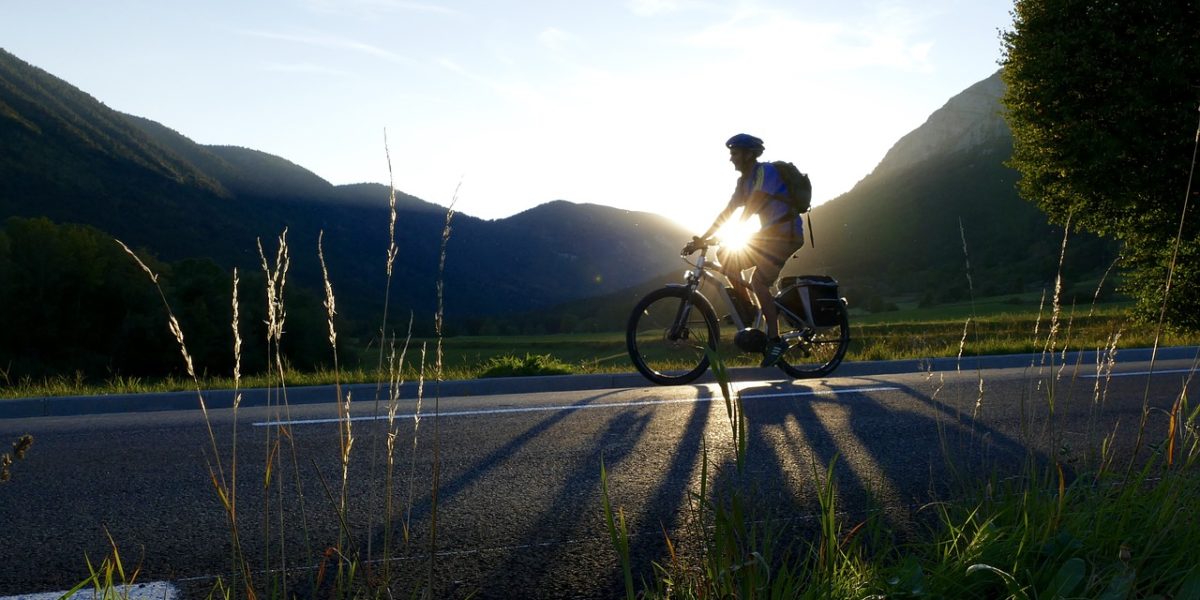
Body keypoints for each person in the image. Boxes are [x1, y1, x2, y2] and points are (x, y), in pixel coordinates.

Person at [686, 133, 805, 367]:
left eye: (735, 153)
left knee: (758, 282)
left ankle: (775, 339)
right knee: (726, 257)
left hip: (786, 234)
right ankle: (749, 310)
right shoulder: (743, 182)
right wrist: (703, 238)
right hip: (770, 236)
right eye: (731, 154)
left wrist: (733, 231)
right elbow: (727, 212)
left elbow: (753, 205)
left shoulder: (765, 172)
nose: (731, 158)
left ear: (749, 154)